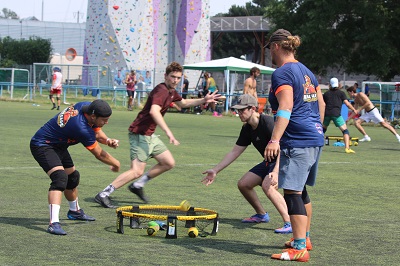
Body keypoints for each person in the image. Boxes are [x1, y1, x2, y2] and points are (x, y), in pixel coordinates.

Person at [95, 62, 221, 208]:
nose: (175, 80)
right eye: (172, 77)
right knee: (136, 171)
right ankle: (104, 194)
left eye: (178, 78)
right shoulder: (161, 90)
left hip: (150, 136)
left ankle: (138, 185)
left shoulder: (171, 92)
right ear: (165, 76)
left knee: (168, 162)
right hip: (139, 134)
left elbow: (183, 103)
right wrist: (169, 133)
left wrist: (203, 100)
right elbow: (154, 111)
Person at [265, 29, 325, 262]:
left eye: (270, 48)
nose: (270, 52)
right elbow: (319, 103)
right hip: (314, 137)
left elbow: (286, 107)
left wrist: (274, 139)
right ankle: (305, 238)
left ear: (275, 47)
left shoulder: (282, 73)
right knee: (301, 191)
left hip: (297, 139)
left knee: (292, 193)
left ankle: (299, 247)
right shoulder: (307, 71)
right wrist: (316, 128)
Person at [201, 94, 292, 234]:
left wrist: (276, 171)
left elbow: (283, 147)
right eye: (238, 110)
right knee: (244, 184)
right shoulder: (247, 128)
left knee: (268, 186)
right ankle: (261, 215)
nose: (239, 113)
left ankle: (289, 222)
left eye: (242, 110)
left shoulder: (268, 123)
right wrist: (215, 170)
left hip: (285, 161)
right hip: (269, 162)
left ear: (253, 108)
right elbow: (234, 152)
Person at [30, 100, 121, 235]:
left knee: (72, 177)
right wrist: (116, 163)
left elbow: (95, 131)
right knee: (60, 178)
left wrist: (108, 140)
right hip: (43, 145)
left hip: (58, 145)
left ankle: (74, 211)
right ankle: (53, 223)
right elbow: (99, 154)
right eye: (104, 120)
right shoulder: (80, 127)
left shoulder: (86, 107)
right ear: (93, 117)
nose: (106, 122)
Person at [323, 77, 357, 153]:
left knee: (322, 130)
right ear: (338, 84)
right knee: (345, 131)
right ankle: (347, 148)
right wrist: (353, 109)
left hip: (327, 114)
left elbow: (322, 104)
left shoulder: (326, 94)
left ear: (330, 85)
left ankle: (316, 146)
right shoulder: (341, 93)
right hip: (336, 114)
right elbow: (347, 103)